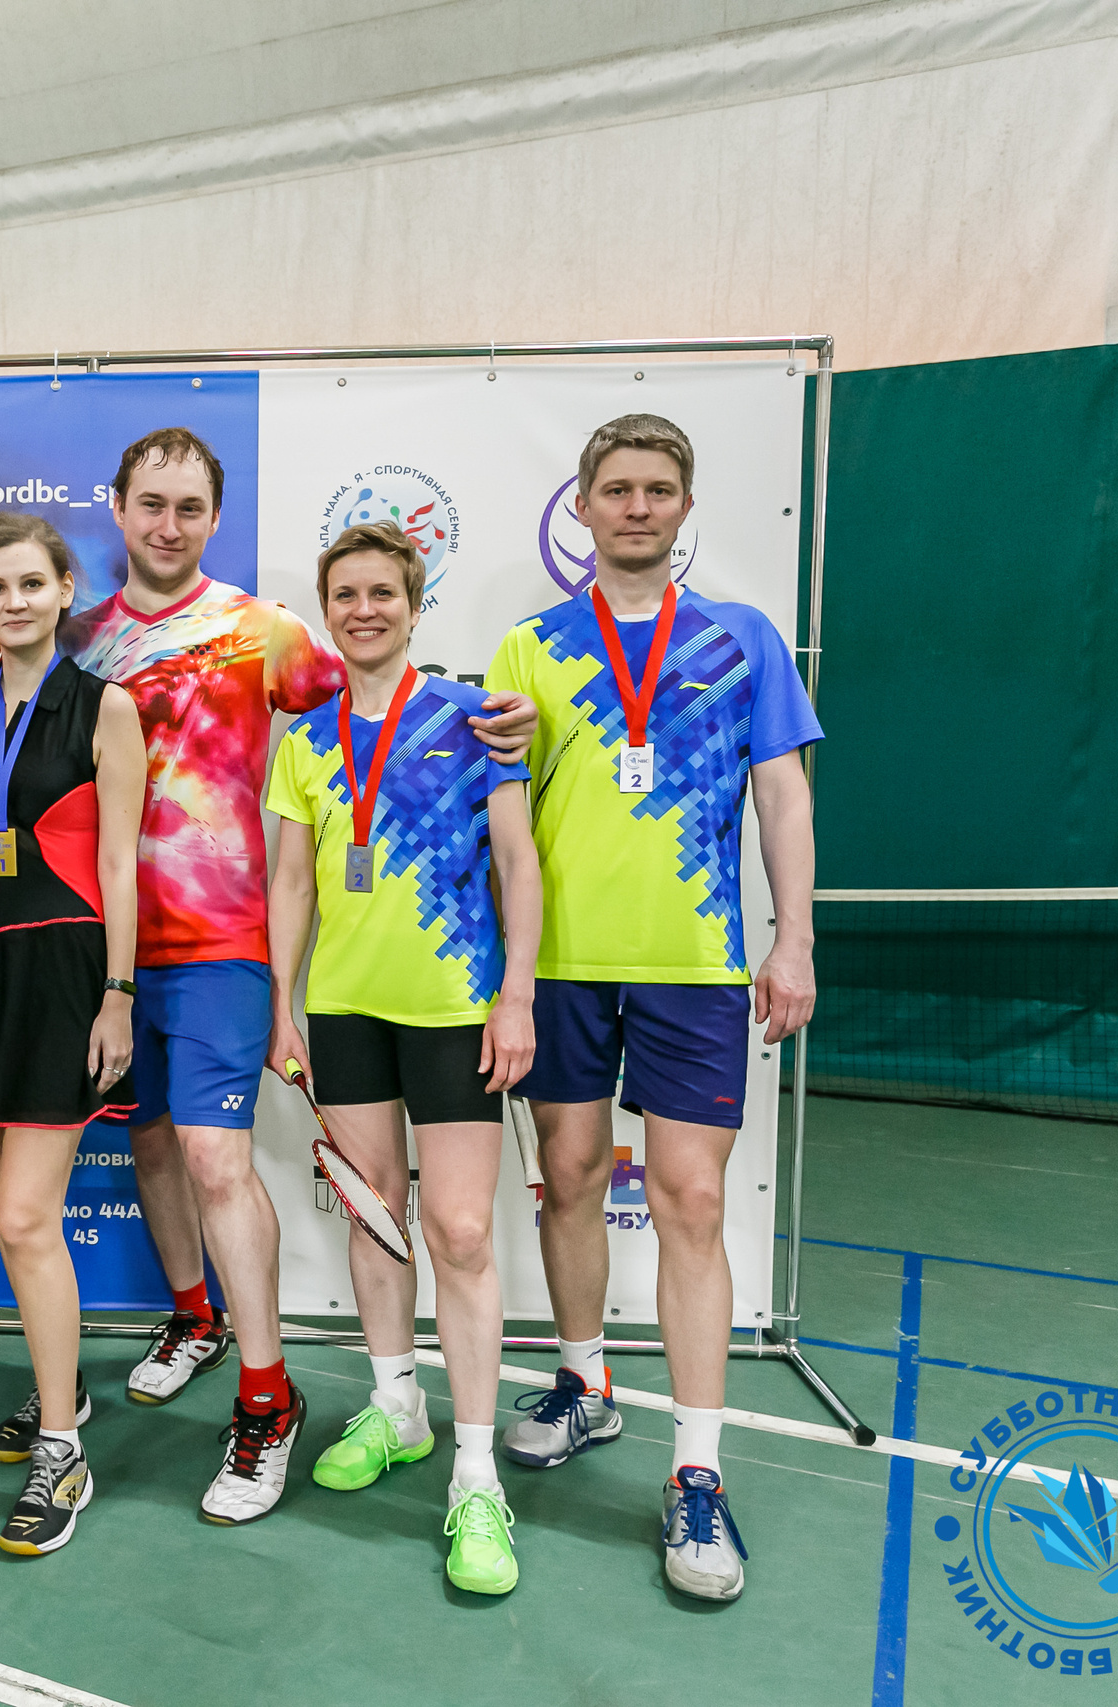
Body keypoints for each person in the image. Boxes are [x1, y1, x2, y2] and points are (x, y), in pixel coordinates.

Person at [49, 427, 539, 1525]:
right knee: (153, 1140)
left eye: (189, 507)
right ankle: (196, 1317)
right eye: (150, 505)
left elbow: (377, 702)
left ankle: (273, 1406)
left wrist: (500, 718)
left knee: (223, 1157)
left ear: (214, 520)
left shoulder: (267, 634)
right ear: (117, 509)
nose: (167, 524)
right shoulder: (75, 641)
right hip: (107, 952)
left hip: (228, 944)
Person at [485, 414, 820, 1604]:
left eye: (658, 489)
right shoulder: (528, 650)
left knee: (686, 1198)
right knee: (568, 1178)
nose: (636, 506)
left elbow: (781, 798)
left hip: (694, 970)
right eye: (615, 488)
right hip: (564, 970)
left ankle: (695, 1469)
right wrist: (508, 978)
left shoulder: (743, 642)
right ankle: (583, 1386)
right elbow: (504, 821)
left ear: (685, 507)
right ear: (580, 506)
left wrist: (794, 936)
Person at [263, 521, 540, 1595]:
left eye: (383, 592)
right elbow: (291, 884)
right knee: (373, 1211)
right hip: (342, 1012)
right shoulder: (305, 738)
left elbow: (518, 865)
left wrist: (514, 996)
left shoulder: (479, 725)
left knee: (461, 1232)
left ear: (413, 606)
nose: (363, 609)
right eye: (345, 594)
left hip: (454, 1014)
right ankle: (396, 1405)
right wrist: (283, 1004)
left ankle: (476, 1476)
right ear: (327, 610)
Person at [0, 512, 145, 1557]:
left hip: (58, 972)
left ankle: (61, 1450)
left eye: (30, 584)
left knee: (24, 1218)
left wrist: (119, 994)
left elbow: (125, 863)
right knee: (8, 1193)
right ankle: (65, 1392)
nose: (12, 602)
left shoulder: (108, 708)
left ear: (63, 590)